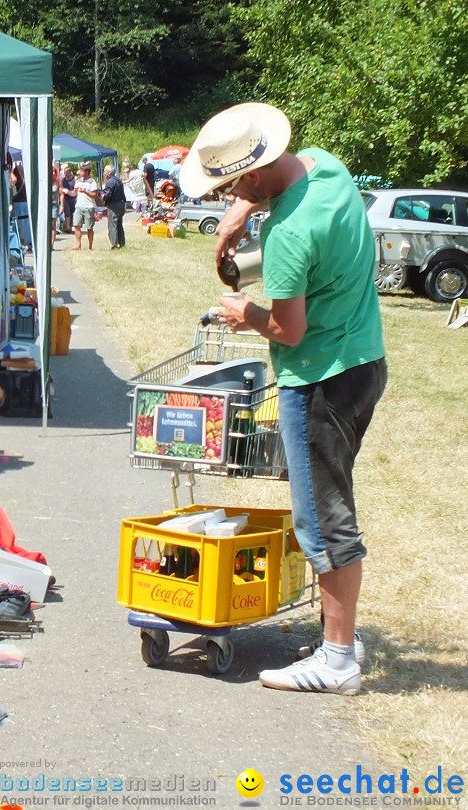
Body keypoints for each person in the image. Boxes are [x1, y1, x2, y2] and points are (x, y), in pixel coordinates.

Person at [180, 102, 386, 696]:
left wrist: (247, 312)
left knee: (322, 521)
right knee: (331, 503)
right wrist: (236, 217)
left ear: (250, 173)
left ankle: (338, 659)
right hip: (363, 359)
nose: (229, 195)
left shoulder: (288, 233)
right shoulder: (327, 169)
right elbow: (283, 174)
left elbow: (289, 331)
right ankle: (337, 636)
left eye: (231, 186)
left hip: (319, 376)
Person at [71, 162, 100, 250]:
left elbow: (95, 195)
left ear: (87, 172)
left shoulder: (92, 182)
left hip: (89, 207)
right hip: (79, 206)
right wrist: (65, 191)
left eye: (82, 171)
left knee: (89, 227)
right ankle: (78, 244)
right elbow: (74, 193)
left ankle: (90, 246)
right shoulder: (78, 181)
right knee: (76, 225)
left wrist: (85, 192)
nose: (80, 172)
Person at [101, 164, 127, 249]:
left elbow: (107, 194)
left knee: (112, 225)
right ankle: (122, 242)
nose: (104, 173)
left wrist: (101, 195)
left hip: (114, 205)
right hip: (121, 203)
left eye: (105, 172)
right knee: (119, 225)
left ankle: (114, 244)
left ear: (109, 172)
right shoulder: (118, 180)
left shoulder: (110, 182)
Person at [59, 164, 77, 233]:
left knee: (73, 213)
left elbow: (75, 190)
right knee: (67, 213)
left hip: (73, 198)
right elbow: (61, 188)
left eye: (66, 172)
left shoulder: (74, 180)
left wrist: (69, 192)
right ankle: (68, 228)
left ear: (70, 172)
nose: (65, 174)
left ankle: (71, 226)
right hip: (66, 199)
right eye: (64, 173)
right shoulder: (63, 180)